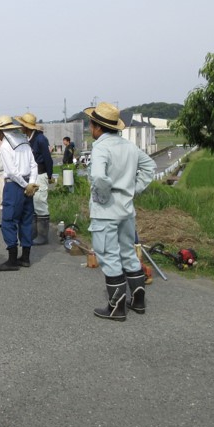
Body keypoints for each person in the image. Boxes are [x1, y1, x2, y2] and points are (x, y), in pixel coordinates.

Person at [84, 102, 156, 321]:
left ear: (97, 127)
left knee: (108, 256)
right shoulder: (129, 146)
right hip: (126, 210)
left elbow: (98, 177)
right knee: (127, 253)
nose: (90, 128)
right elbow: (150, 167)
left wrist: (104, 197)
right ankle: (138, 300)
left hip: (106, 212)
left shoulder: (100, 148)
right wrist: (133, 189)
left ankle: (116, 307)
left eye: (91, 124)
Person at [0, 115, 38, 271]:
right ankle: (25, 257)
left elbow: (12, 172)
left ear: (1, 131)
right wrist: (31, 183)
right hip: (28, 185)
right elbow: (33, 165)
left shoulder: (5, 146)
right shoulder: (24, 141)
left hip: (14, 186)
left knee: (9, 221)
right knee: (26, 220)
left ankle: (11, 260)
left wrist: (25, 185)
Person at [15, 113, 54, 245]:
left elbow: (47, 158)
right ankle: (34, 233)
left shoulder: (40, 139)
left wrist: (49, 175)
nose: (20, 127)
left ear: (26, 126)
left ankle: (43, 236)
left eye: (22, 125)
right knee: (32, 202)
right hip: (32, 174)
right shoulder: (28, 138)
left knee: (40, 202)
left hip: (41, 173)